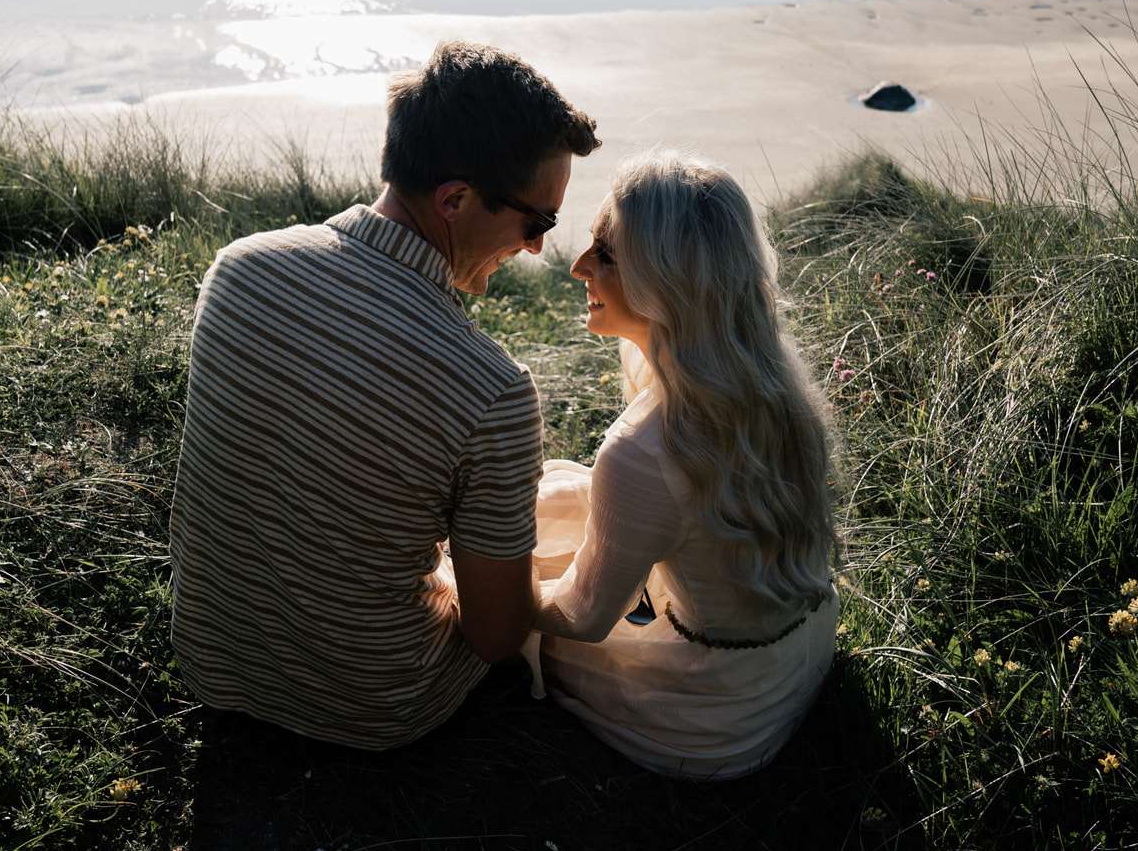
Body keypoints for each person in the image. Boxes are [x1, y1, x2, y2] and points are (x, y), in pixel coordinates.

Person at [168, 41, 599, 750]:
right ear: (455, 199)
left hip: (213, 662)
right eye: (538, 222)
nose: (533, 249)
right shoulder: (492, 389)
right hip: (375, 702)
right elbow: (495, 639)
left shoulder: (236, 269)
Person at [526, 151, 840, 780]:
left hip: (711, 713)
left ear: (665, 282)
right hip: (801, 651)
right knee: (565, 488)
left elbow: (579, 619)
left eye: (606, 255)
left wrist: (481, 581)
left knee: (515, 613)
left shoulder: (642, 451)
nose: (578, 266)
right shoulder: (773, 375)